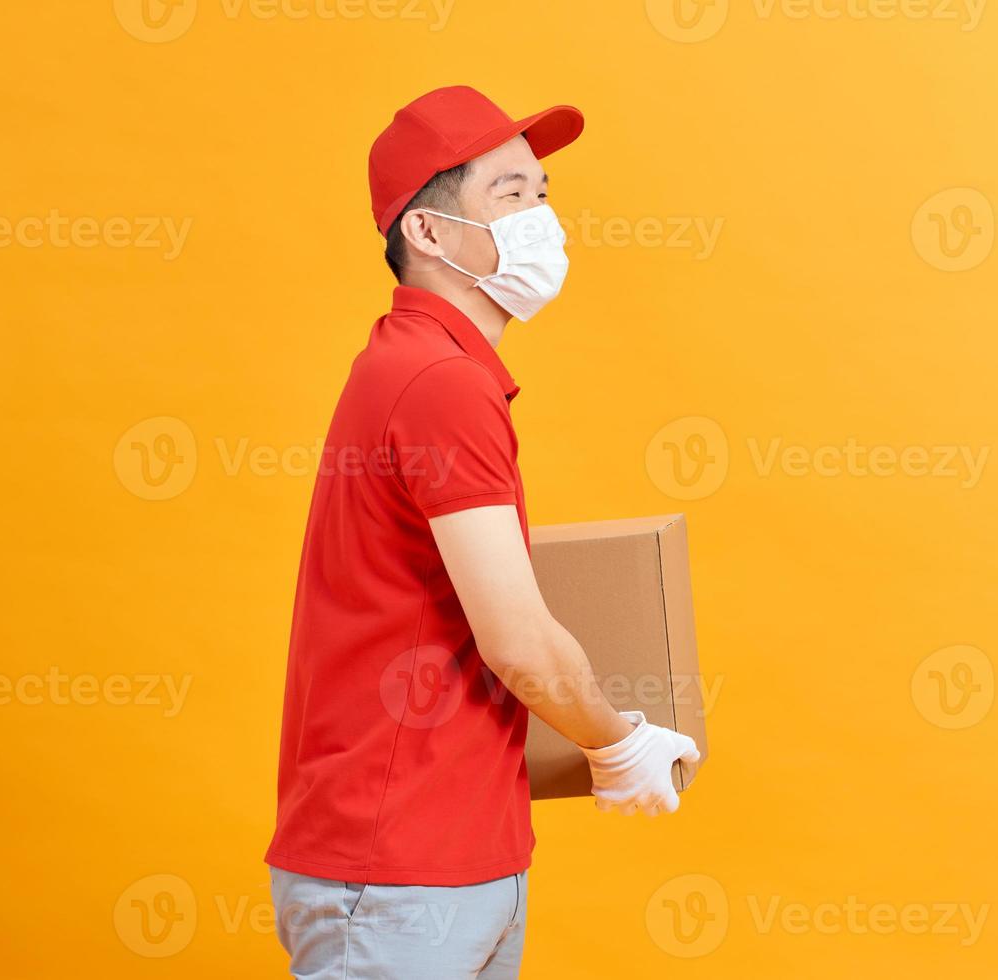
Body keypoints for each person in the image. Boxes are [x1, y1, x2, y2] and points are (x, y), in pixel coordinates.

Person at [265, 85, 700, 979]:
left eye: (543, 195)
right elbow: (514, 638)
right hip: (397, 871)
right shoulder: (438, 383)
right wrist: (616, 743)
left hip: (453, 857)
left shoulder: (430, 368)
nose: (543, 218)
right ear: (426, 233)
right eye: (510, 196)